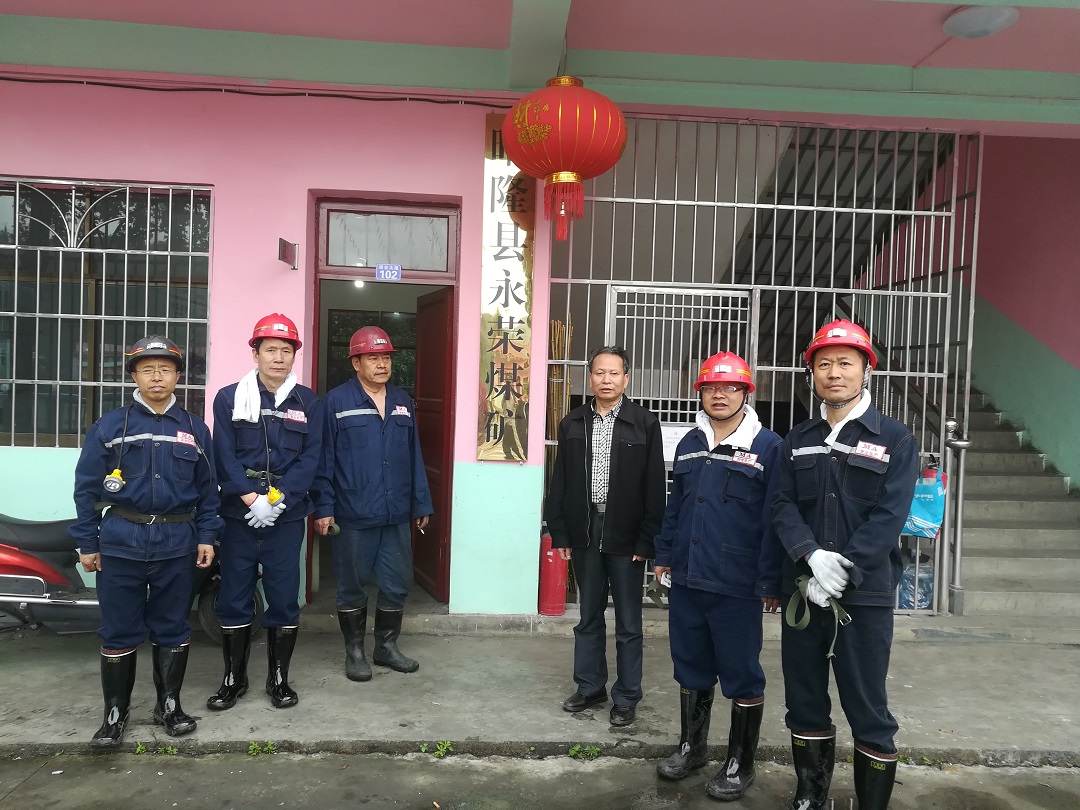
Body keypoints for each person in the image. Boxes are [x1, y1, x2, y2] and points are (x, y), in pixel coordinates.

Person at [773, 319, 918, 810]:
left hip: (865, 596)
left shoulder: (894, 439)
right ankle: (810, 796)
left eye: (845, 363)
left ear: (866, 370)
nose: (834, 373)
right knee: (804, 698)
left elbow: (889, 515)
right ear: (811, 372)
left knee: (867, 704)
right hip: (805, 592)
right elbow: (782, 505)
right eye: (824, 364)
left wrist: (844, 568)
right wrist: (811, 557)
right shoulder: (797, 438)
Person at [70, 335, 221, 748]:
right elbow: (86, 488)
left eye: (166, 369)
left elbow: (208, 491)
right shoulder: (110, 426)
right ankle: (115, 714)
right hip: (121, 540)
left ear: (178, 376)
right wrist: (87, 542)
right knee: (119, 630)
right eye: (148, 369)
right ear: (134, 376)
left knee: (173, 626)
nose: (157, 377)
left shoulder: (194, 428)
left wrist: (207, 536)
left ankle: (168, 706)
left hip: (177, 542)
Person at [653, 351, 784, 801]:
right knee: (690, 664)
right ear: (701, 393)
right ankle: (691, 748)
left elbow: (774, 519)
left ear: (746, 393)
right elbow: (676, 504)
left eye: (730, 387)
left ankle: (740, 762)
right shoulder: (690, 442)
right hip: (688, 577)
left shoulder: (768, 447)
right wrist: (663, 554)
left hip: (737, 583)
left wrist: (770, 580)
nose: (720, 395)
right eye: (711, 387)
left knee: (742, 673)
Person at [207, 314, 324, 712]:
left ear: (294, 356)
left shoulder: (308, 402)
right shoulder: (228, 398)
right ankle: (233, 678)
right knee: (233, 596)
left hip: (285, 517)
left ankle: (278, 678)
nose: (278, 357)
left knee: (284, 597)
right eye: (270, 349)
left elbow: (312, 458)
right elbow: (223, 453)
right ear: (255, 353)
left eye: (286, 350)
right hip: (237, 517)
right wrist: (249, 497)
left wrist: (278, 500)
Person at [544, 345, 666, 727]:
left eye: (614, 373)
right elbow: (560, 480)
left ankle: (626, 696)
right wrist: (559, 531)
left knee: (629, 622)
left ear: (626, 379)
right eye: (600, 372)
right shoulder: (572, 423)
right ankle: (590, 685)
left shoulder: (644, 424)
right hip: (584, 530)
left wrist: (647, 540)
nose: (606, 380)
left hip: (626, 535)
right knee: (588, 616)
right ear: (590, 377)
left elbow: (655, 487)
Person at [313, 326, 433, 681]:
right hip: (353, 512)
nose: (382, 365)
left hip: (395, 512)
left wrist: (421, 503)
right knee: (352, 583)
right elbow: (324, 460)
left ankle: (386, 647)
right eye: (373, 358)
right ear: (356, 363)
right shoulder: (335, 402)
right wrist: (324, 507)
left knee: (397, 582)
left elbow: (414, 455)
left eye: (386, 358)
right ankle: (354, 652)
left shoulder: (402, 400)